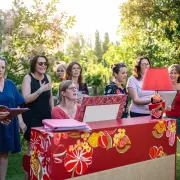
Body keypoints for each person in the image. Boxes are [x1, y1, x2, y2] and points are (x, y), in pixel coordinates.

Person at [0, 56, 26, 180]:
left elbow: (17, 103)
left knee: (4, 155)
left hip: (8, 124)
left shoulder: (9, 84)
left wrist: (20, 122)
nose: (0, 69)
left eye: (3, 67)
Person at [21, 55, 53, 144]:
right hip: (32, 117)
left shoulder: (48, 78)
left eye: (45, 63)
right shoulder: (28, 78)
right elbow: (26, 99)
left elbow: (50, 97)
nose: (43, 65)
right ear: (34, 65)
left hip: (46, 116)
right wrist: (40, 90)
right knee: (33, 146)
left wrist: (52, 112)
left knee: (46, 145)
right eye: (40, 63)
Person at [165, 64, 180, 138]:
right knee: (168, 141)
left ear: (179, 75)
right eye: (171, 73)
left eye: (175, 73)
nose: (173, 75)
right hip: (168, 118)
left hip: (179, 118)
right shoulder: (165, 86)